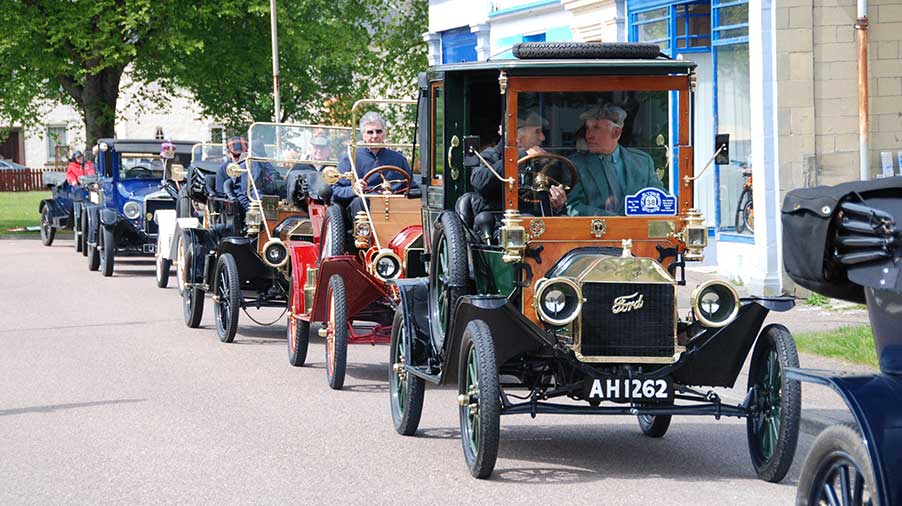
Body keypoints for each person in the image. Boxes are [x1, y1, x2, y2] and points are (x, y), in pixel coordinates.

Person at [565, 104, 664, 216]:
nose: (588, 135)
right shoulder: (575, 164)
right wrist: (617, 221)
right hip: (596, 231)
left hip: (639, 230)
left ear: (616, 132)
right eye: (587, 128)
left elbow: (659, 198)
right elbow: (573, 206)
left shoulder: (642, 161)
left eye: (596, 128)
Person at [470, 112, 566, 215]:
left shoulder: (540, 162)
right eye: (537, 132)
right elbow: (479, 182)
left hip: (536, 223)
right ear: (515, 136)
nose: (542, 137)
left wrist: (557, 204)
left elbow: (544, 201)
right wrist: (521, 156)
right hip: (502, 222)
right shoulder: (490, 156)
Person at [332, 111, 415, 217]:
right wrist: (354, 189)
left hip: (395, 203)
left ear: (384, 133)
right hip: (364, 205)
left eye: (378, 131)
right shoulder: (349, 158)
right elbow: (336, 191)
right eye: (370, 132)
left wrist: (399, 195)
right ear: (363, 135)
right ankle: (363, 233)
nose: (375, 136)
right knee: (359, 202)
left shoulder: (398, 159)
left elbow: (412, 187)